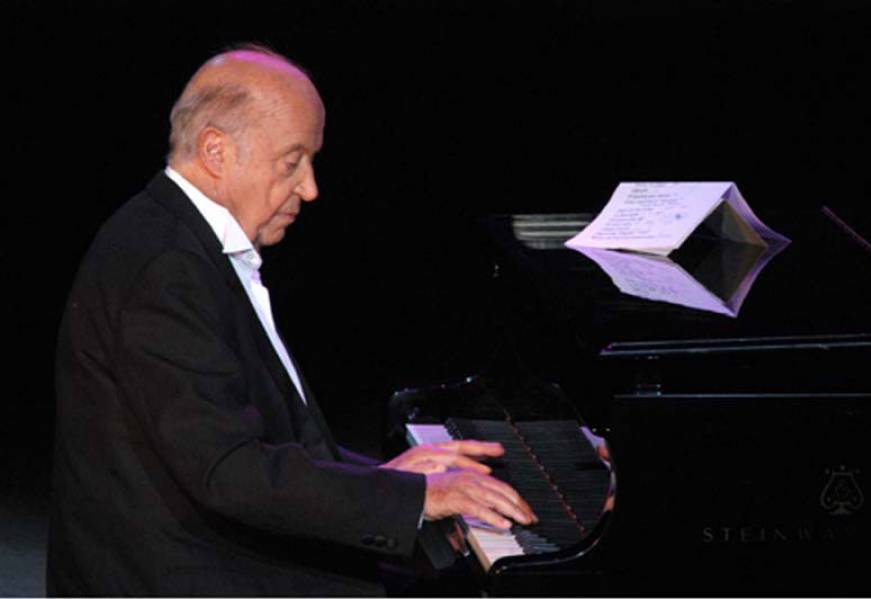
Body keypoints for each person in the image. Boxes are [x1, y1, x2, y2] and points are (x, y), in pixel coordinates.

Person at [47, 45, 535, 596]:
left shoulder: (183, 242)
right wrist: (418, 497)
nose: (309, 188)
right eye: (291, 163)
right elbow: (231, 472)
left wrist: (380, 480)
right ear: (215, 151)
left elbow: (258, 442)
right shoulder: (165, 269)